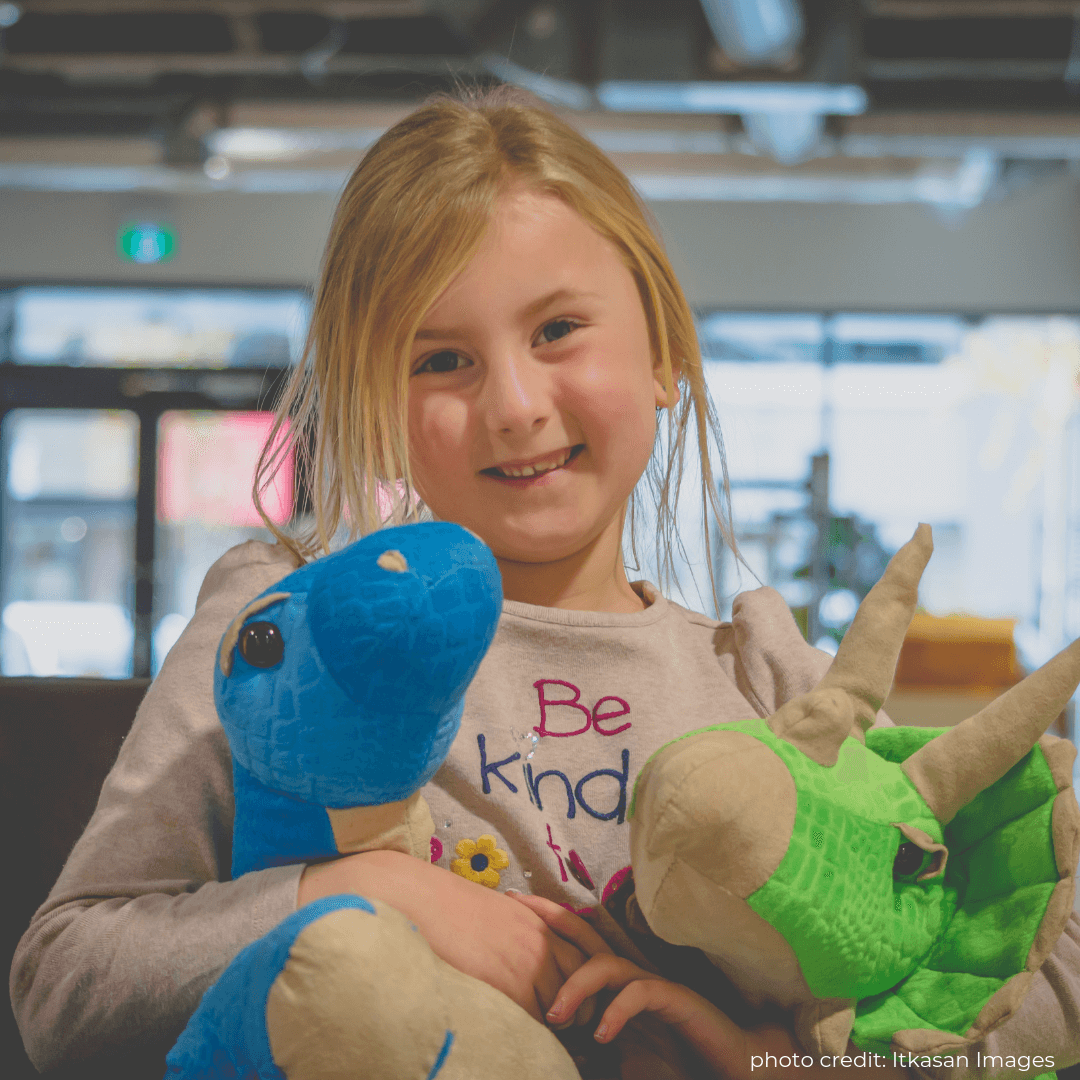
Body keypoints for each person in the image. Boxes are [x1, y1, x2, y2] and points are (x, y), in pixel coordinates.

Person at [11, 89, 1080, 1080]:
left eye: (558, 330)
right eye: (440, 360)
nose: (514, 404)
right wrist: (364, 890)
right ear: (376, 404)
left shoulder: (774, 680)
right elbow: (63, 981)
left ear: (664, 357)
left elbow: (991, 1019)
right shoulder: (292, 623)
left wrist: (768, 1056)